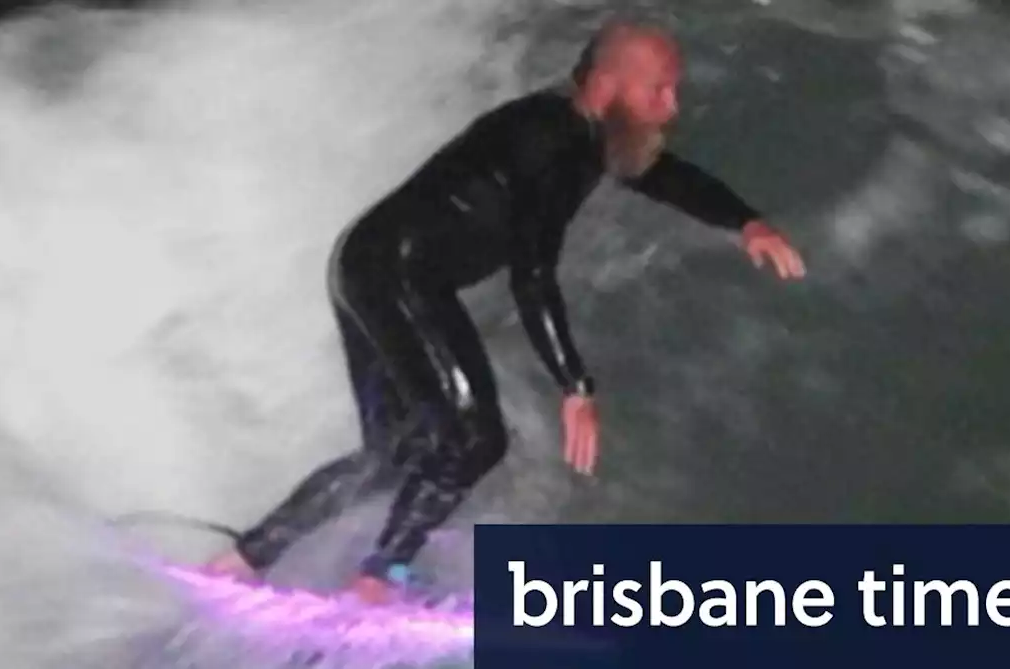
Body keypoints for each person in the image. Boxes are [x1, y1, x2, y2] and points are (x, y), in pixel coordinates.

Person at [205, 19, 806, 603]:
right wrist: (575, 385)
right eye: (659, 89)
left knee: (395, 454)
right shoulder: (553, 141)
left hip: (367, 263)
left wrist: (745, 223)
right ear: (606, 84)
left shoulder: (578, 131)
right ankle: (376, 582)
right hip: (398, 275)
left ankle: (242, 562)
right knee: (474, 439)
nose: (671, 107)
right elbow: (533, 270)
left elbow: (662, 176)